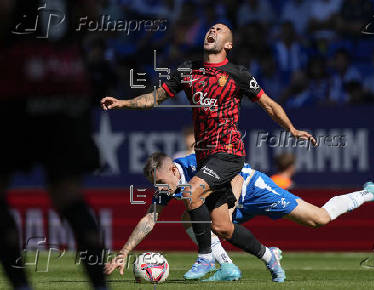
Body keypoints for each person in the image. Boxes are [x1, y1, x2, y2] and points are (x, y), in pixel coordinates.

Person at [101, 23, 317, 282]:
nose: (211, 31)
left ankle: (205, 258)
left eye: (219, 29)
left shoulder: (238, 74)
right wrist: (123, 102)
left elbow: (269, 105)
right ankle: (270, 258)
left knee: (191, 191)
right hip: (206, 157)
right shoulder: (187, 70)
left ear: (228, 44)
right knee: (222, 227)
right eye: (210, 28)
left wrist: (292, 130)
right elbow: (155, 98)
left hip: (229, 152)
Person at [104, 152, 374, 281]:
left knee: (319, 219)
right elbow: (149, 218)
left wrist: (230, 208)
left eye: (161, 183)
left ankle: (369, 192)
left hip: (252, 187)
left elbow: (233, 171)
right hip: (225, 205)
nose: (160, 190)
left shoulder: (194, 163)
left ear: (172, 170)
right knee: (190, 217)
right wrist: (124, 252)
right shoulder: (170, 187)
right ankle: (227, 267)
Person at [0, 1, 106, 289]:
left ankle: (21, 284)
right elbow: (92, 13)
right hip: (68, 78)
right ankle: (100, 285)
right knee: (68, 192)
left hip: (18, 79)